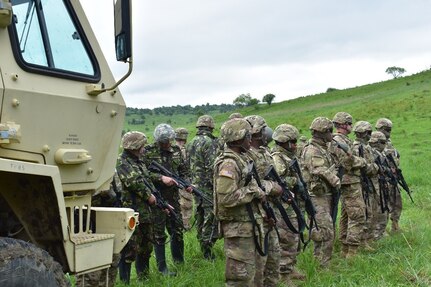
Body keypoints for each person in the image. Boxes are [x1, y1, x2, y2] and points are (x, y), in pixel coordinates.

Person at [213, 118, 269, 286]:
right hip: (237, 228)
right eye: (247, 136)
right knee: (240, 278)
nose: (250, 140)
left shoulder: (241, 158)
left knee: (253, 274)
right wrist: (253, 191)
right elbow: (226, 198)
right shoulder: (229, 164)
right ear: (239, 138)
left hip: (247, 224)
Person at [144, 123, 191, 276]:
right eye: (163, 142)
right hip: (156, 199)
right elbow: (142, 174)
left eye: (168, 141)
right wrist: (160, 178)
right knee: (159, 234)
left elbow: (184, 170)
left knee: (177, 230)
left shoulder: (176, 151)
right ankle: (162, 268)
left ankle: (179, 262)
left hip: (173, 197)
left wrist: (187, 184)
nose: (166, 144)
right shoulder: (148, 152)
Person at [245, 115, 282, 287]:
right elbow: (252, 185)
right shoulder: (246, 157)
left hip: (270, 211)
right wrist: (272, 187)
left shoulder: (264, 151)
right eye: (262, 129)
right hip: (257, 215)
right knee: (259, 261)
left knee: (274, 257)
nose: (265, 132)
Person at [116, 131, 157, 283]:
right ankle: (125, 281)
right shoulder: (122, 162)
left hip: (145, 212)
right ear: (134, 146)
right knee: (129, 249)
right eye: (141, 145)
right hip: (132, 212)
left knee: (146, 247)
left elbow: (146, 180)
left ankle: (144, 278)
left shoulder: (139, 161)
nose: (144, 148)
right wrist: (149, 196)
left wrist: (156, 197)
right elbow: (133, 182)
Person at [301, 117, 340, 267]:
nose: (332, 134)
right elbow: (318, 169)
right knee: (324, 230)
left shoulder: (324, 148)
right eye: (330, 131)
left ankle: (324, 262)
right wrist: (336, 180)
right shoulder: (312, 150)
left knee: (327, 229)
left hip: (326, 194)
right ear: (322, 132)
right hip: (317, 197)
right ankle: (322, 265)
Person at [271, 123, 306, 284]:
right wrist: (295, 181)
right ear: (284, 141)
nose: (295, 145)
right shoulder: (277, 158)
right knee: (287, 238)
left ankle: (291, 268)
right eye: (292, 141)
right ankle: (283, 275)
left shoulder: (288, 156)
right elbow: (277, 181)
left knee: (294, 236)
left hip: (292, 202)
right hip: (282, 205)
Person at [75, 171, 123, 287]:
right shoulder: (84, 169)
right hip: (89, 223)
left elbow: (117, 193)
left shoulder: (107, 167)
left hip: (110, 220)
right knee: (91, 269)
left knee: (111, 262)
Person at [330, 112, 367, 258]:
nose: (351, 126)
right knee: (357, 214)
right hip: (349, 181)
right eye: (350, 123)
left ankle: (344, 248)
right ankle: (352, 251)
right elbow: (348, 162)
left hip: (345, 181)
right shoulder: (339, 141)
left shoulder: (338, 140)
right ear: (343, 125)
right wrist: (362, 162)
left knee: (346, 214)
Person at [187, 115, 220, 260]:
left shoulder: (191, 142)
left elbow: (188, 165)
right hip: (208, 187)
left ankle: (202, 244)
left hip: (195, 186)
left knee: (200, 215)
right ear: (211, 127)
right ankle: (207, 251)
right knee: (210, 218)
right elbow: (212, 168)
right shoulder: (210, 142)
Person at [352, 121, 379, 249]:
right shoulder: (357, 148)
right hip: (362, 184)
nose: (370, 135)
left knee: (371, 211)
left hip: (368, 183)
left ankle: (367, 238)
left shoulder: (365, 147)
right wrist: (375, 168)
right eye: (369, 133)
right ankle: (362, 241)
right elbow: (363, 167)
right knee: (365, 213)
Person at [375, 118, 402, 233]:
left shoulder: (388, 142)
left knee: (397, 201)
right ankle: (381, 230)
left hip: (393, 176)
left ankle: (395, 225)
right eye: (386, 129)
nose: (388, 132)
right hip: (382, 177)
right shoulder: (374, 141)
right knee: (383, 204)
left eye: (389, 130)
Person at [369, 131, 391, 240]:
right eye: (382, 142)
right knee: (377, 209)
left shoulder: (380, 154)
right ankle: (375, 234)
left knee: (383, 208)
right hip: (375, 185)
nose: (384, 145)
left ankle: (380, 232)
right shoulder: (372, 153)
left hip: (381, 184)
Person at [175, 127, 193, 230]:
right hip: (185, 181)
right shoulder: (186, 151)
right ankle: (185, 227)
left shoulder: (171, 150)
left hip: (174, 181)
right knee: (186, 205)